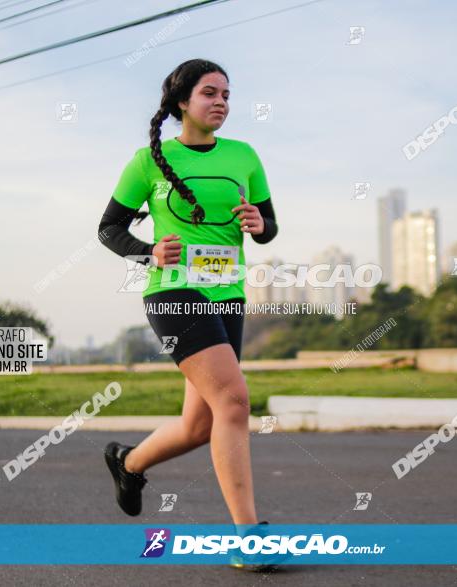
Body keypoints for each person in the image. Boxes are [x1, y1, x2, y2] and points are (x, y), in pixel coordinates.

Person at [97, 59, 283, 572]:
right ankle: (249, 538)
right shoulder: (147, 162)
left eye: (227, 93)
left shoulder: (245, 156)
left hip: (229, 295)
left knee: (200, 424)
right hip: (174, 293)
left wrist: (257, 223)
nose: (221, 101)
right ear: (183, 102)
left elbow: (268, 227)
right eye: (209, 93)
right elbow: (109, 230)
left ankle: (127, 463)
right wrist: (149, 253)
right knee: (234, 400)